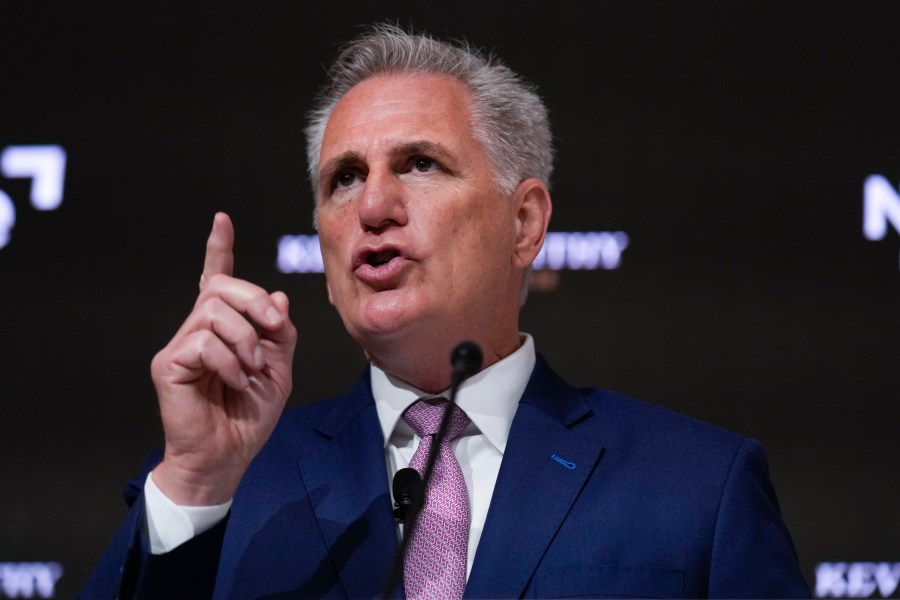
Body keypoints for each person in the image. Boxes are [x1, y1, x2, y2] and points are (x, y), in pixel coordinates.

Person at [82, 24, 810, 599]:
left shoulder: (697, 488)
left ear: (524, 224)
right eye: (344, 179)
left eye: (419, 164)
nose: (372, 207)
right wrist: (196, 484)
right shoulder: (228, 484)